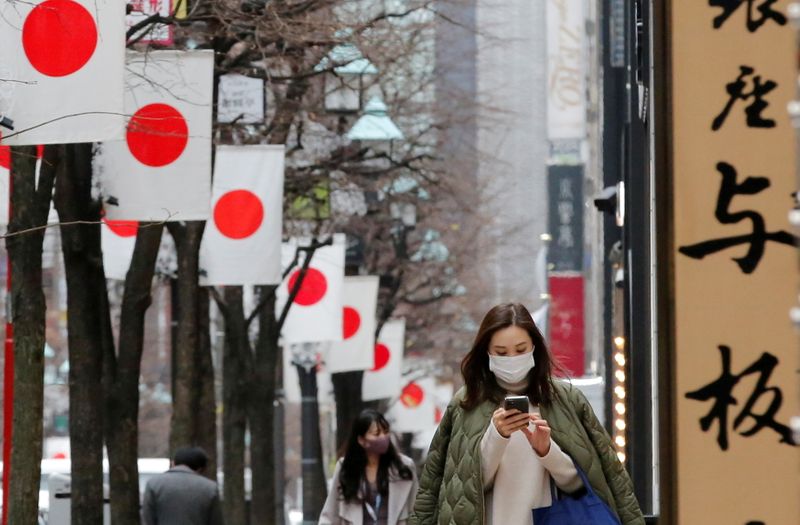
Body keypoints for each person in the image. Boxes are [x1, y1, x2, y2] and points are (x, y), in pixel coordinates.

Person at [409, 303, 644, 525]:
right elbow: (454, 488)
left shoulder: (565, 400)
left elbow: (590, 483)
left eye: (520, 350)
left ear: (534, 347)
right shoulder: (466, 403)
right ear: (487, 353)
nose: (512, 359)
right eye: (501, 352)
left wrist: (547, 450)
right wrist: (497, 436)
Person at [320, 409, 420, 525]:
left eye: (386, 432)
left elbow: (418, 511)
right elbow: (330, 515)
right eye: (376, 434)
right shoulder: (345, 468)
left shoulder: (404, 467)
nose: (383, 437)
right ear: (361, 440)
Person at [141, 446, 223, 525]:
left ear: (173, 463)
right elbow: (215, 521)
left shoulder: (153, 484)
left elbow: (148, 518)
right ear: (201, 468)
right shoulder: (210, 488)